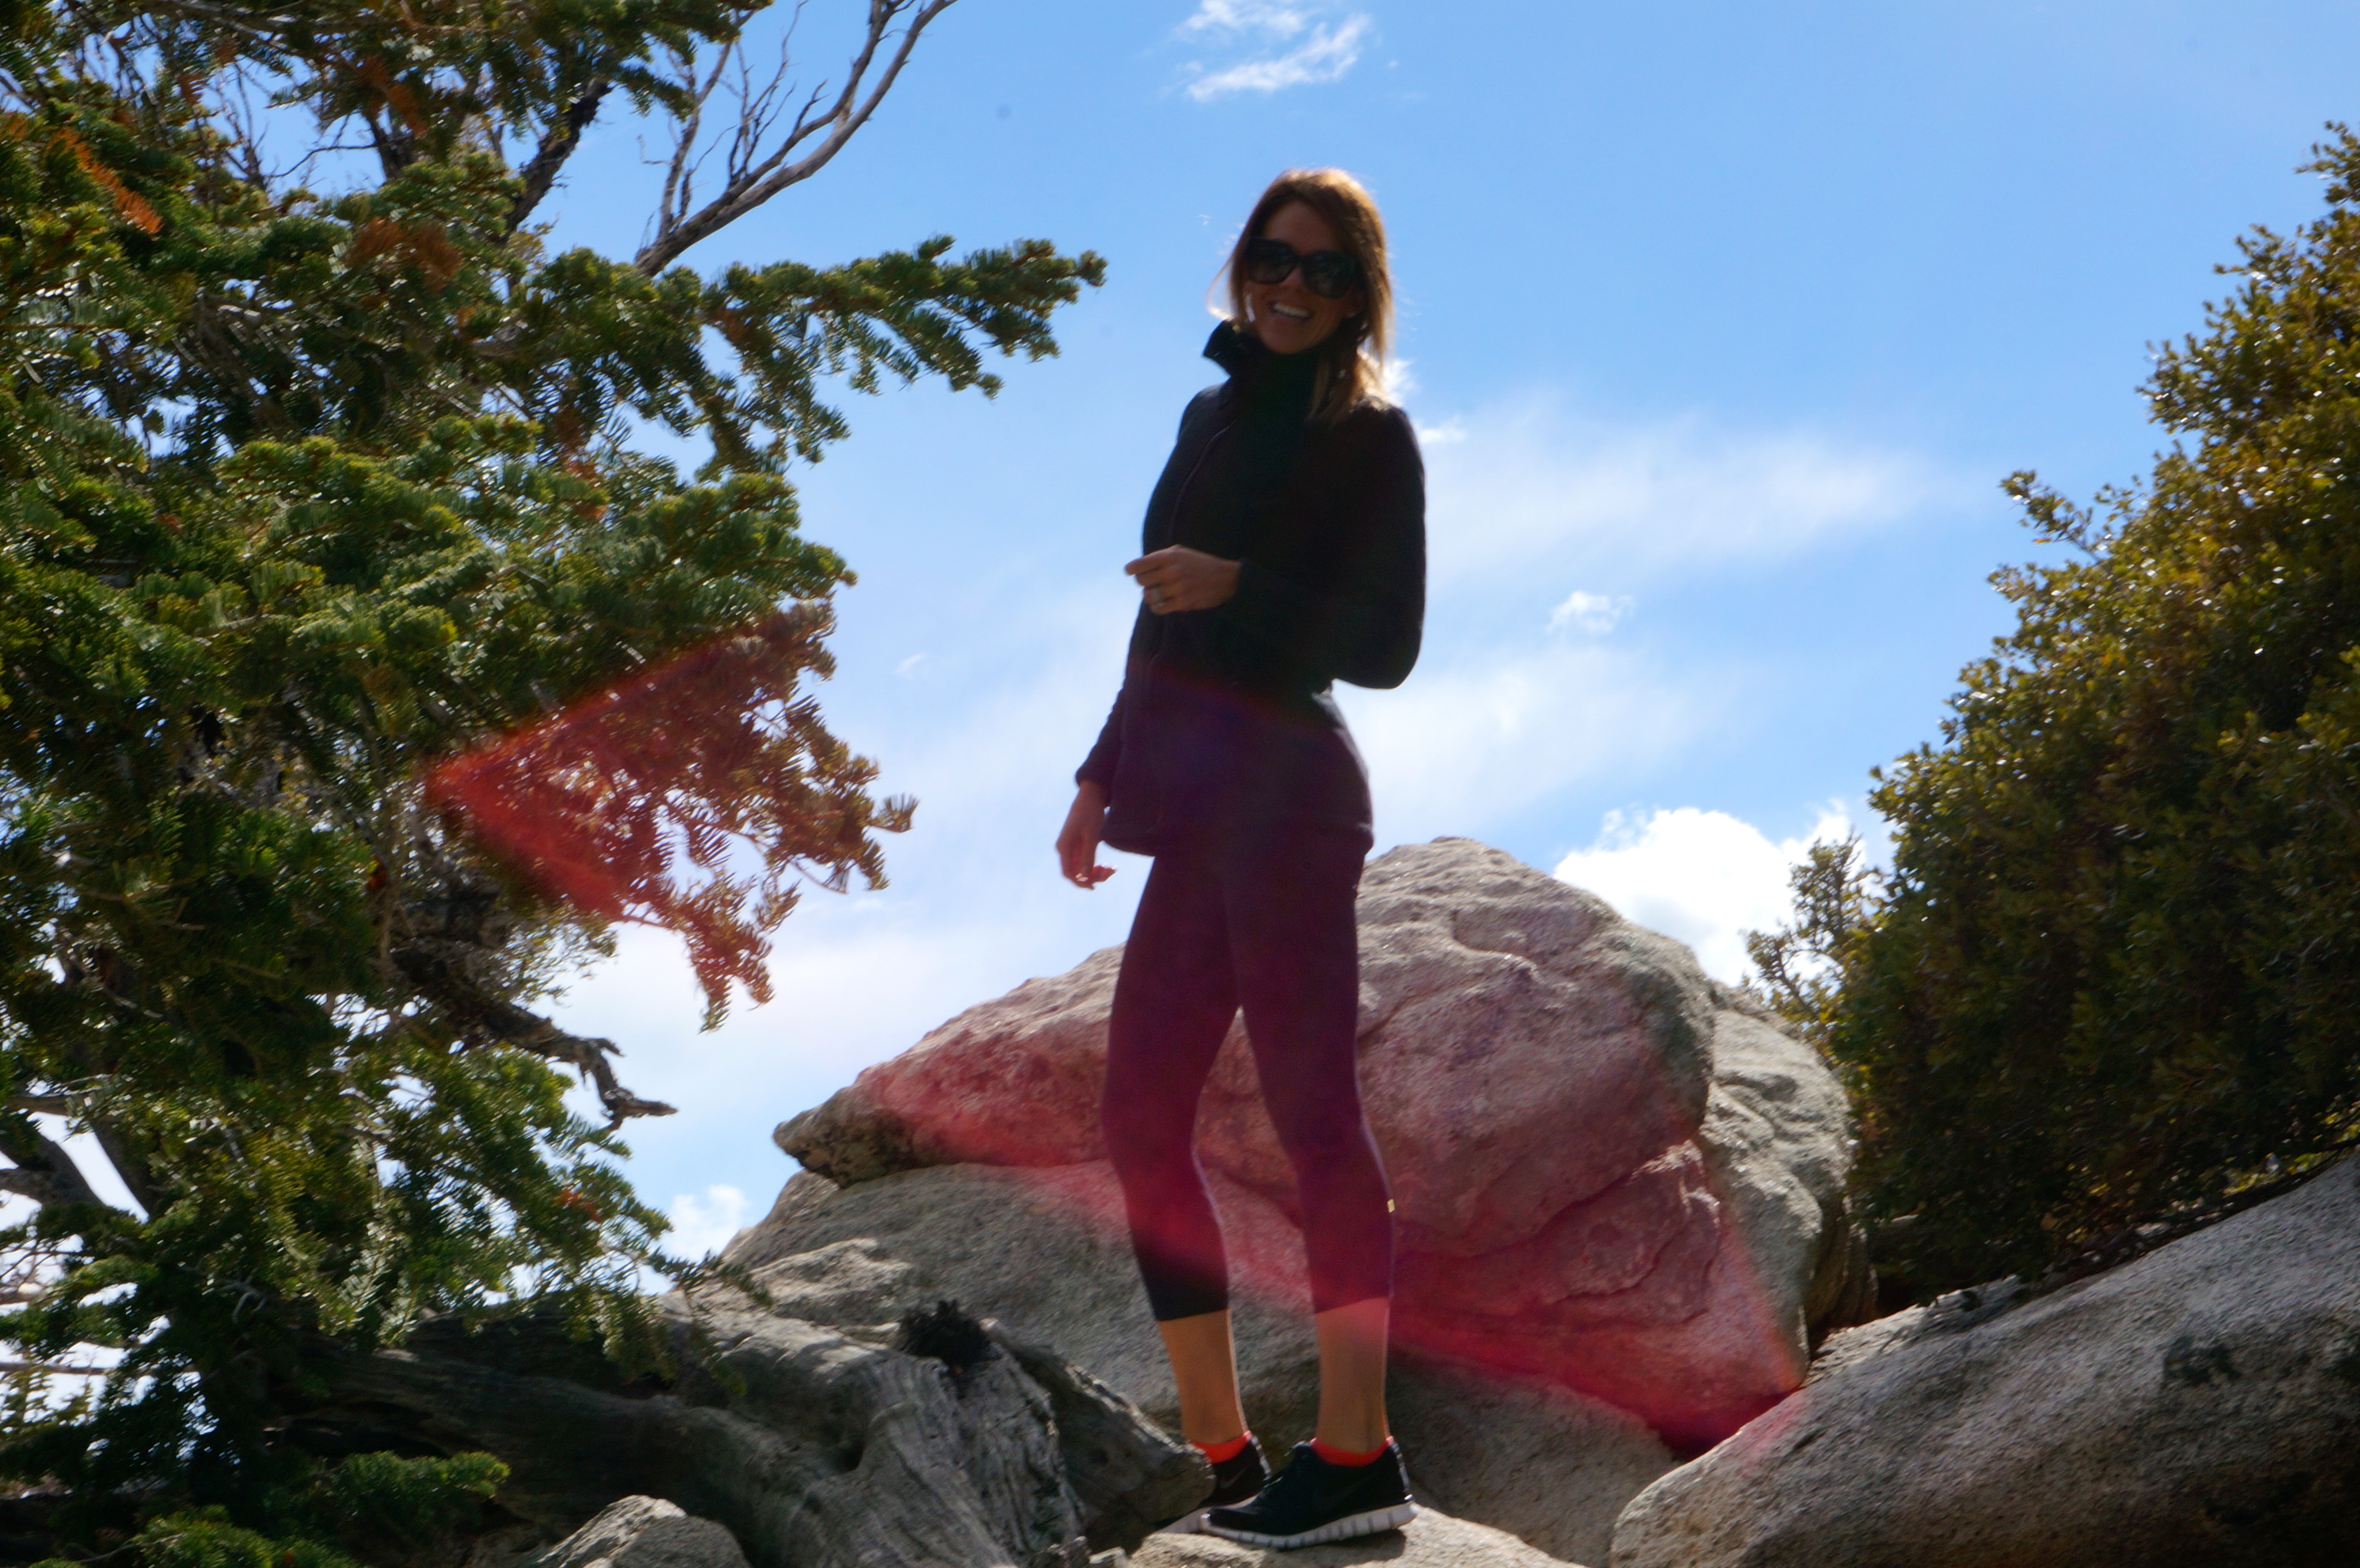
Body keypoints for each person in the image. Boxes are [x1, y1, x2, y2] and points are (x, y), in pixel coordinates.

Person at [1055, 167, 1425, 1551]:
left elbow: (1386, 644)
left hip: (1294, 797)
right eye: (1275, 257)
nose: (1291, 286)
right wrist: (1101, 771)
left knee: (1314, 1113)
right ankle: (1221, 1456)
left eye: (1324, 270)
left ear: (1359, 296)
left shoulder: (1368, 437)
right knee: (1138, 1119)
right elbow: (1162, 615)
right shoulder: (1209, 417)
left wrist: (1243, 587)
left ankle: (1357, 1453)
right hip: (1197, 805)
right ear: (1244, 263)